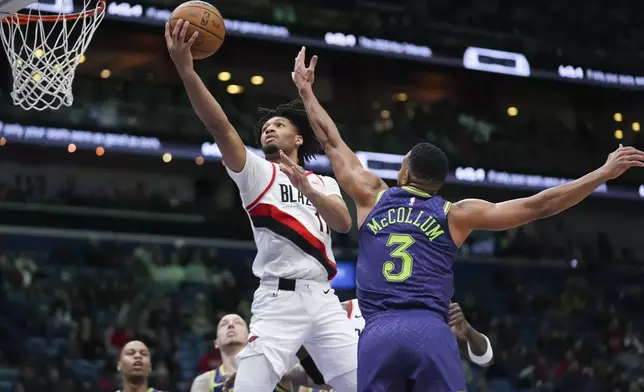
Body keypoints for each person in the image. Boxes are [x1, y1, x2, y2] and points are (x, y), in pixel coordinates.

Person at [290, 45, 644, 391]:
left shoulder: (373, 194)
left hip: (378, 330)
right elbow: (542, 205)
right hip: (430, 329)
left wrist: (307, 92)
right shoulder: (456, 214)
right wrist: (601, 174)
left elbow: (331, 142)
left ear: (403, 174)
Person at [166, 20, 358, 392]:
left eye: (279, 124)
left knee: (367, 384)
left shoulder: (324, 182)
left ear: (299, 137)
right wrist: (186, 70)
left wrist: (309, 189)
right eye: (265, 126)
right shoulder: (256, 173)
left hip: (324, 299)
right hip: (278, 300)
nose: (269, 128)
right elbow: (220, 128)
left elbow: (344, 223)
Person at [190, 313, 331, 392]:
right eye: (224, 324)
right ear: (216, 342)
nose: (231, 325)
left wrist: (299, 344)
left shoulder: (276, 367)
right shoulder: (205, 382)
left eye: (238, 322)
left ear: (249, 336)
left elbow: (326, 381)